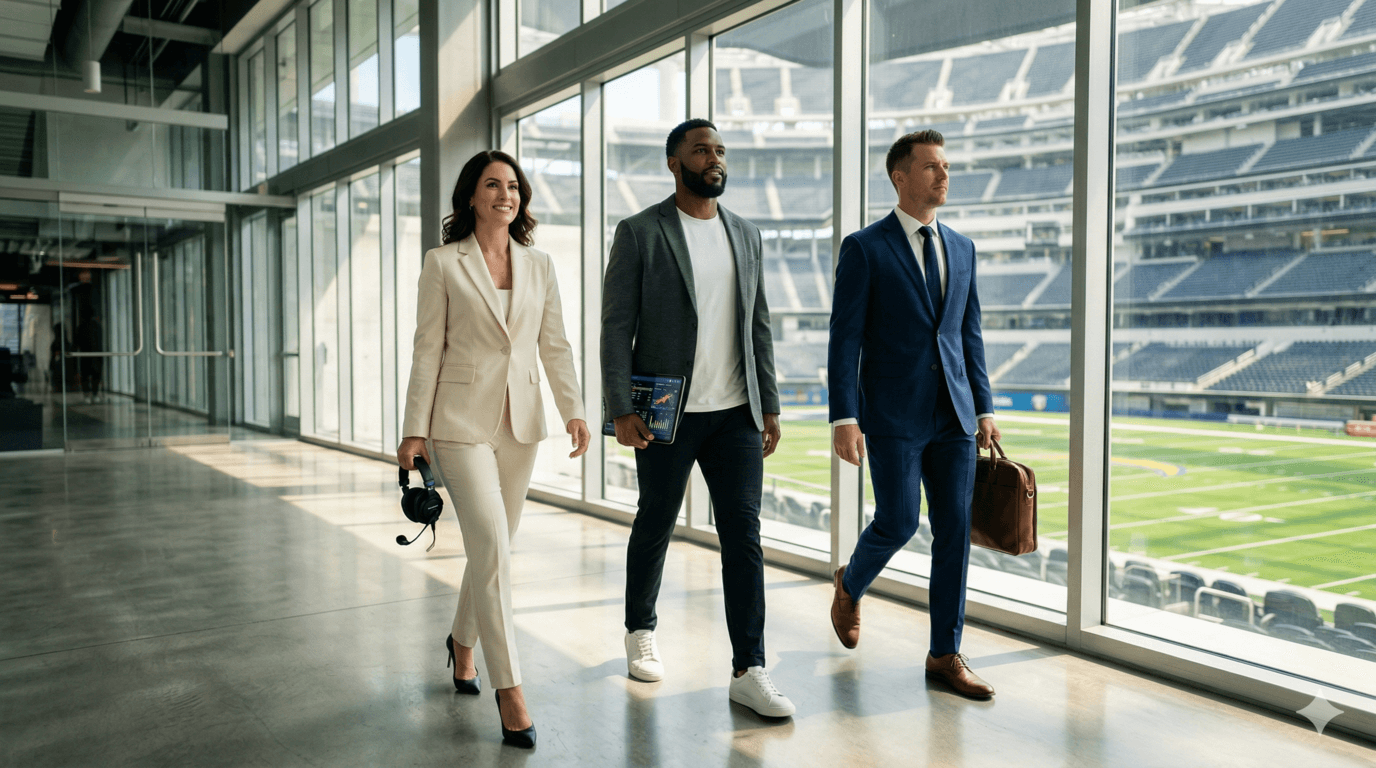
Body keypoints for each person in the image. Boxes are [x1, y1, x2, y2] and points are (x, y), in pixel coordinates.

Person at [601, 118, 794, 719]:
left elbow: (758, 322)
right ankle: (640, 628)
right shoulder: (639, 232)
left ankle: (749, 668)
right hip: (666, 415)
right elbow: (615, 327)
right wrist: (620, 411)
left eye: (719, 150)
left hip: (736, 413)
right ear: (674, 162)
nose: (714, 158)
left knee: (744, 536)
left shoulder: (747, 233)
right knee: (655, 518)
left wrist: (770, 402)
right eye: (701, 150)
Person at [397, 150, 590, 748]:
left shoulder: (540, 264)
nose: (506, 194)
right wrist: (413, 429)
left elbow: (554, 345)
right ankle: (511, 691)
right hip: (458, 423)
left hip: (521, 422)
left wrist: (574, 409)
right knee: (493, 549)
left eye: (513, 186)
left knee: (493, 549)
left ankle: (461, 643)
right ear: (472, 196)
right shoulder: (443, 263)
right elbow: (427, 347)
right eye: (493, 185)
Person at [827, 130, 1002, 699]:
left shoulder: (964, 247)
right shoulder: (865, 247)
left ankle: (944, 654)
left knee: (954, 532)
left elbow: (967, 335)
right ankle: (851, 584)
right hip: (893, 414)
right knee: (900, 521)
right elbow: (844, 339)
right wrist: (844, 417)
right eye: (931, 167)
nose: (943, 175)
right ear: (900, 177)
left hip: (954, 415)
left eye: (946, 166)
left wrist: (984, 408)